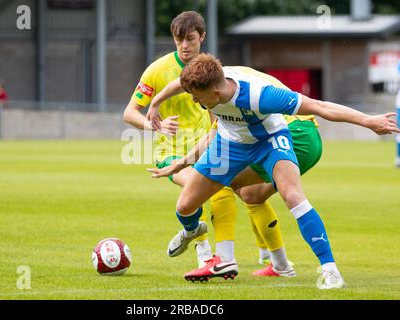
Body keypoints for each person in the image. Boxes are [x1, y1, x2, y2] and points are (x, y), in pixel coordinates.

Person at [147, 53, 399, 288]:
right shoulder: (205, 82)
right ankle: (192, 230)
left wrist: (368, 121)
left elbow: (319, 106)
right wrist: (158, 110)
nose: (193, 100)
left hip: (269, 141)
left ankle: (330, 270)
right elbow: (179, 86)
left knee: (293, 197)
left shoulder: (259, 95)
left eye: (197, 97)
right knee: (185, 207)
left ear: (215, 92)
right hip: (229, 144)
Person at [123, 11, 294, 279]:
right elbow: (130, 112)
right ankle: (213, 257)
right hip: (171, 153)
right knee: (210, 189)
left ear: (202, 37)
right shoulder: (157, 71)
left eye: (190, 39)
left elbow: (218, 112)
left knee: (249, 194)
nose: (184, 45)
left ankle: (275, 259)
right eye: (178, 39)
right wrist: (154, 125)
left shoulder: (211, 70)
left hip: (210, 146)